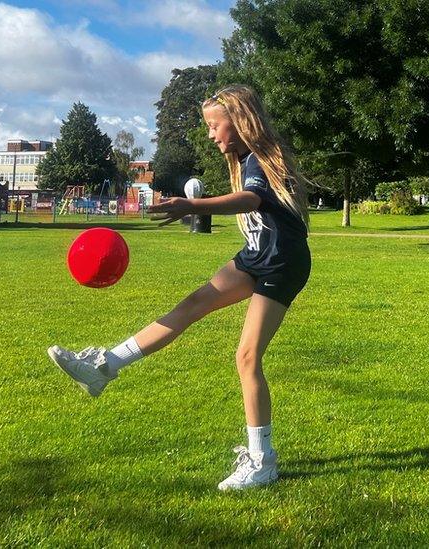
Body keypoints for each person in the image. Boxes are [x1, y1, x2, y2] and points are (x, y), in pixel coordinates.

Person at [47, 85, 311, 491]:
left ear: (238, 121)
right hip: (257, 254)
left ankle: (262, 462)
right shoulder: (245, 159)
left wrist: (191, 206)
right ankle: (104, 367)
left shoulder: (259, 159)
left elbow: (251, 200)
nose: (210, 134)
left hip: (283, 262)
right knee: (191, 304)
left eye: (214, 125)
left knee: (246, 357)